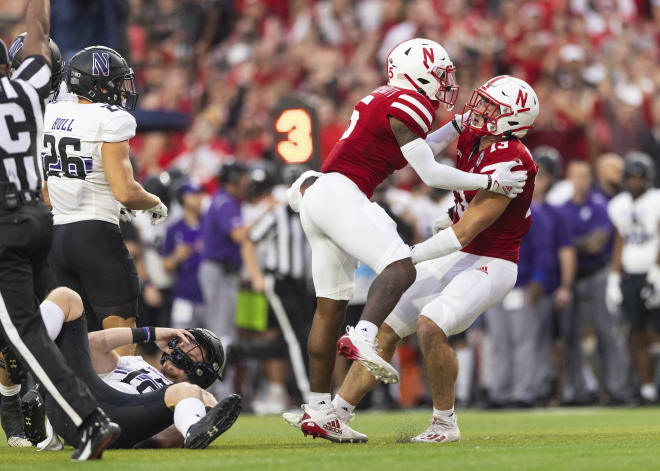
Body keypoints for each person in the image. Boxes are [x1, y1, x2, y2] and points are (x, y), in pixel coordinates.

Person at [284, 39, 528, 438]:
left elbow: (413, 155)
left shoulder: (388, 98)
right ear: (420, 73)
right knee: (398, 267)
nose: (447, 84)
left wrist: (455, 128)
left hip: (323, 195)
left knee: (329, 308)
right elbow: (429, 173)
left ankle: (319, 409)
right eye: (441, 74)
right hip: (345, 193)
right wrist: (489, 180)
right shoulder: (410, 102)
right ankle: (362, 337)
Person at [0, 0, 119, 460]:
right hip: (36, 218)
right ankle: (78, 413)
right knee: (51, 316)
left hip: (6, 227)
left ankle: (89, 420)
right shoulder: (27, 89)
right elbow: (39, 30)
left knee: (24, 335)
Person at [42, 45, 168, 346]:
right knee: (121, 340)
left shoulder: (53, 112)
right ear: (95, 85)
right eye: (115, 82)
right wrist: (154, 202)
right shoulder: (110, 118)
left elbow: (46, 191)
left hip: (56, 239)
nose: (122, 90)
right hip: (96, 237)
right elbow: (125, 191)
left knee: (72, 342)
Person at [21, 286, 240, 450]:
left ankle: (195, 432)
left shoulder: (188, 394)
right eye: (186, 340)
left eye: (194, 348)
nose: (184, 345)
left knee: (194, 394)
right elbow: (92, 344)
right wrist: (152, 333)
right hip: (86, 406)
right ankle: (25, 349)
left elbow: (164, 433)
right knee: (66, 296)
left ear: (204, 370)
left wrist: (153, 442)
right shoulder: (134, 363)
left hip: (116, 425)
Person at [0, 31, 65, 449]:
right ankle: (13, 408)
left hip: (41, 224)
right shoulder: (30, 102)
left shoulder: (61, 111)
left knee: (47, 321)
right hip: (28, 220)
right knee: (17, 326)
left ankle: (37, 400)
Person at [559, 161, 627, 404]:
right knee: (571, 336)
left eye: (586, 175)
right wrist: (577, 244)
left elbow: (596, 243)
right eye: (577, 176)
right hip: (571, 278)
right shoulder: (562, 209)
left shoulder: (600, 205)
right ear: (569, 178)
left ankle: (615, 389)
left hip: (598, 274)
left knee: (606, 333)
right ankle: (577, 391)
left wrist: (569, 244)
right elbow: (569, 245)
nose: (582, 181)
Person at [607, 153, 660, 403]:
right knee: (637, 332)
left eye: (639, 178)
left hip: (655, 273)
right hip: (632, 276)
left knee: (656, 332)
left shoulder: (656, 200)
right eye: (631, 178)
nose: (635, 182)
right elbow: (620, 240)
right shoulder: (618, 204)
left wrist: (657, 272)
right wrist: (614, 278)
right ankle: (647, 387)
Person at [161, 181, 205, 329]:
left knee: (214, 344)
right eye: (194, 194)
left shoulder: (209, 224)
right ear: (183, 198)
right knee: (181, 343)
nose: (199, 198)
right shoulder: (174, 229)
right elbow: (166, 265)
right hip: (184, 294)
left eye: (199, 194)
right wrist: (177, 256)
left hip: (209, 295)